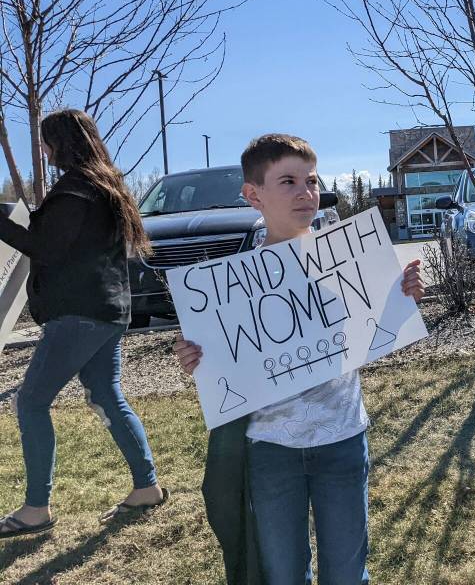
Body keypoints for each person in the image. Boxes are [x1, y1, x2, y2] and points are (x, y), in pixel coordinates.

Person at [173, 134, 425, 585]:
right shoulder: (231, 287)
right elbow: (225, 363)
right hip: (272, 450)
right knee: (283, 574)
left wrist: (399, 296)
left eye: (311, 180)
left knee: (347, 573)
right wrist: (197, 356)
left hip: (343, 438)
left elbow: (372, 328)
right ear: (254, 195)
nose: (305, 192)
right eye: (287, 181)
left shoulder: (350, 259)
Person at [0, 109, 166, 538]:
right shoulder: (104, 185)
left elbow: (46, 248)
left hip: (79, 313)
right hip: (108, 311)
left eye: (46, 141)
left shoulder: (76, 190)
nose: (43, 150)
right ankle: (146, 487)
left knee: (32, 402)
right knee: (107, 396)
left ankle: (36, 508)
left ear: (62, 143)